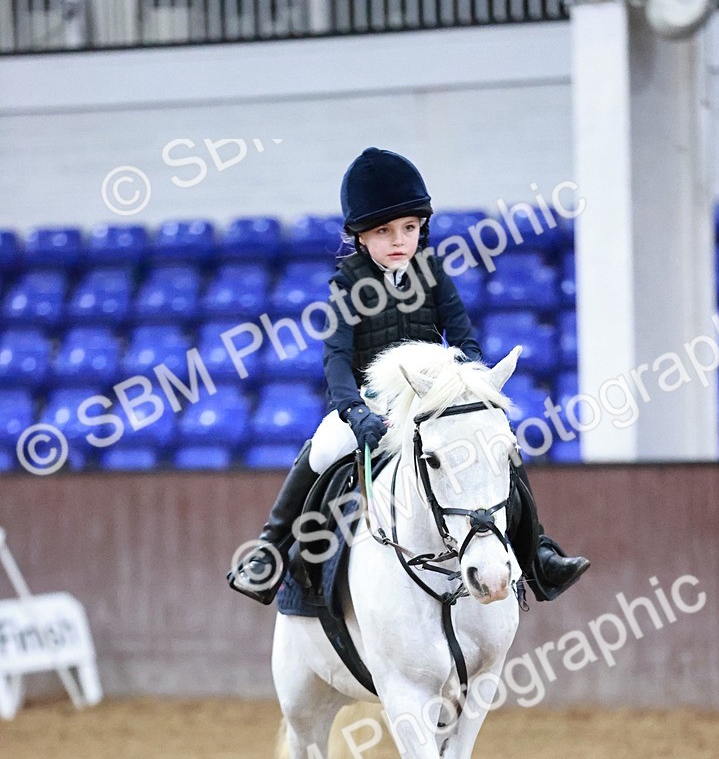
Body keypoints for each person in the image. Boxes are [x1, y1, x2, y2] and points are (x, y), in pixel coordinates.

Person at [228, 146, 589, 605]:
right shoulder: (347, 284)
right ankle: (268, 553)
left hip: (433, 399)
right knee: (319, 450)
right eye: (384, 231)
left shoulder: (434, 272)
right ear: (360, 237)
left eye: (410, 228)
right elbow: (336, 358)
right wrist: (354, 410)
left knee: (497, 446)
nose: (400, 239)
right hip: (374, 404)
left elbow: (464, 339)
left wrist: (468, 380)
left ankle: (538, 554)